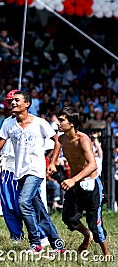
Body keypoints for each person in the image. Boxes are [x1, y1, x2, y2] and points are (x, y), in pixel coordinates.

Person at [0, 91, 65, 254]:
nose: (12, 103)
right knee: (38, 209)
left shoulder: (40, 123)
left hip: (35, 170)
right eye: (11, 101)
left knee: (23, 202)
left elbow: (57, 141)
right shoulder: (8, 124)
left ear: (27, 104)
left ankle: (35, 243)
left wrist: (53, 163)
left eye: (17, 100)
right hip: (18, 172)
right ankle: (57, 243)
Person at [57, 106, 110, 255]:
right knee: (68, 217)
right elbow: (56, 144)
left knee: (95, 224)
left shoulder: (83, 139)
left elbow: (92, 165)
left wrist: (73, 179)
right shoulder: (62, 138)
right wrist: (53, 162)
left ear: (72, 123)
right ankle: (87, 235)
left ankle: (107, 254)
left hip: (91, 184)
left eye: (61, 120)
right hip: (75, 184)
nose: (57, 123)